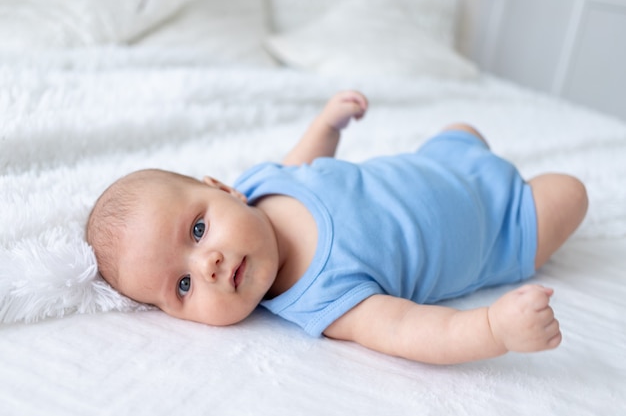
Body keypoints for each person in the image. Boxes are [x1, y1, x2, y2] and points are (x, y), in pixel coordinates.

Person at [86, 91, 588, 365]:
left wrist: (327, 126)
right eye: (183, 286)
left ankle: (464, 144)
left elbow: (304, 164)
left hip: (439, 161)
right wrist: (493, 329)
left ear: (223, 189)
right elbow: (409, 330)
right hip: (501, 226)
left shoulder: (261, 185)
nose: (208, 264)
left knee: (462, 130)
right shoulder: (323, 300)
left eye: (197, 232)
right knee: (570, 193)